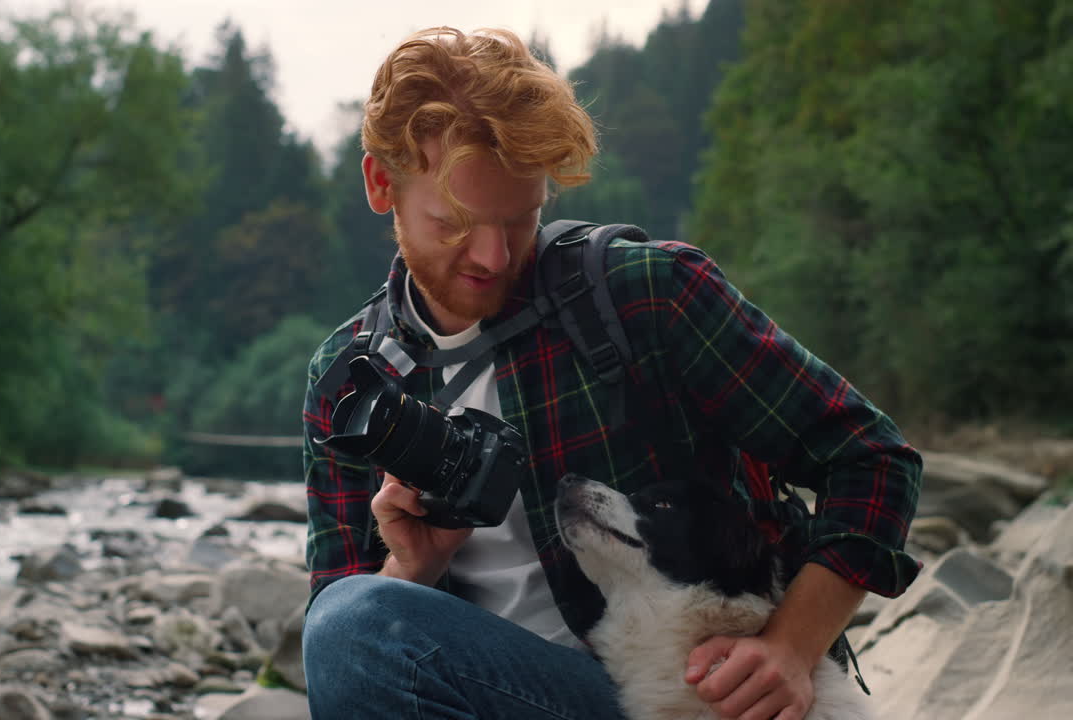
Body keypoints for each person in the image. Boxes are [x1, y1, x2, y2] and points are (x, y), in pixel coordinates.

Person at [301, 26, 921, 720]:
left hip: (691, 697)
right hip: (494, 699)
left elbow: (872, 459)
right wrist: (413, 568)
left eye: (521, 219)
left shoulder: (643, 295)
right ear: (382, 183)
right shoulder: (352, 380)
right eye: (457, 223)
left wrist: (790, 648)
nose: (495, 257)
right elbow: (342, 658)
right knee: (354, 620)